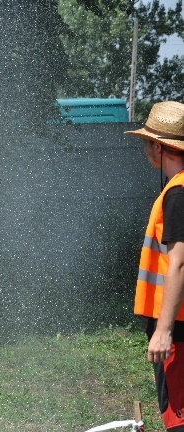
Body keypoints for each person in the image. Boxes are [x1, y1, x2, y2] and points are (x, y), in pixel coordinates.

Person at [125, 101, 184, 432]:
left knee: (178, 418)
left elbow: (178, 264)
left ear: (159, 147)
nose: (145, 150)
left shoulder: (178, 193)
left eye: (147, 142)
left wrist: (163, 331)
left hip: (178, 327)